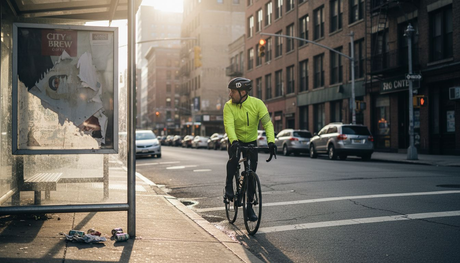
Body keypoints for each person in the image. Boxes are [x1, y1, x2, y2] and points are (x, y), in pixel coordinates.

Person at [223, 77, 277, 221]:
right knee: (234, 159)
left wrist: (271, 142)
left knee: (251, 173)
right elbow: (229, 125)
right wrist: (234, 141)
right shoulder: (228, 106)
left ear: (243, 92)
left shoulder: (258, 104)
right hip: (235, 139)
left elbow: (267, 124)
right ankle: (229, 184)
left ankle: (249, 207)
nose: (230, 94)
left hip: (251, 141)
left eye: (233, 92)